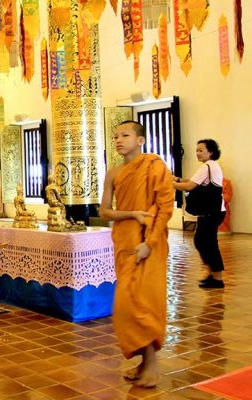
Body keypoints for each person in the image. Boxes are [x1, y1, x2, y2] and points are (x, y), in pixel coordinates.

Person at [100, 120, 174, 388]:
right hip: (124, 240)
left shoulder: (155, 166)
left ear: (140, 140)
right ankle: (144, 361)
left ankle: (152, 365)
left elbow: (165, 208)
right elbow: (105, 211)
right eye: (116, 135)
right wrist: (131, 213)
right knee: (126, 304)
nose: (119, 140)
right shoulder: (114, 173)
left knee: (143, 303)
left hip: (149, 243)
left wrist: (150, 243)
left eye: (125, 135)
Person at [173, 139, 226, 288]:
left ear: (211, 152)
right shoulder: (211, 166)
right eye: (197, 150)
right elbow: (192, 181)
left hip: (211, 212)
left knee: (206, 243)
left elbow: (189, 186)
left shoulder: (207, 166)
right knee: (204, 242)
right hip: (213, 212)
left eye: (201, 150)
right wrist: (176, 179)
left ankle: (217, 278)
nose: (197, 153)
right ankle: (212, 274)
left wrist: (169, 184)